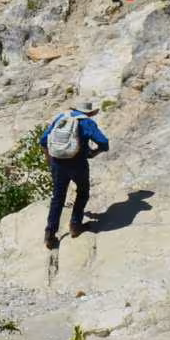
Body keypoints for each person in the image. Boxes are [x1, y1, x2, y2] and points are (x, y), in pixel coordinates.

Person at [38, 102, 110, 250]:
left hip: (58, 164)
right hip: (78, 164)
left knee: (57, 198)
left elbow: (43, 140)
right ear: (89, 113)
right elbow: (104, 142)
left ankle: (50, 234)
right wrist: (93, 153)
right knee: (83, 192)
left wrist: (50, 162)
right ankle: (75, 225)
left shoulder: (61, 118)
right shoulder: (87, 122)